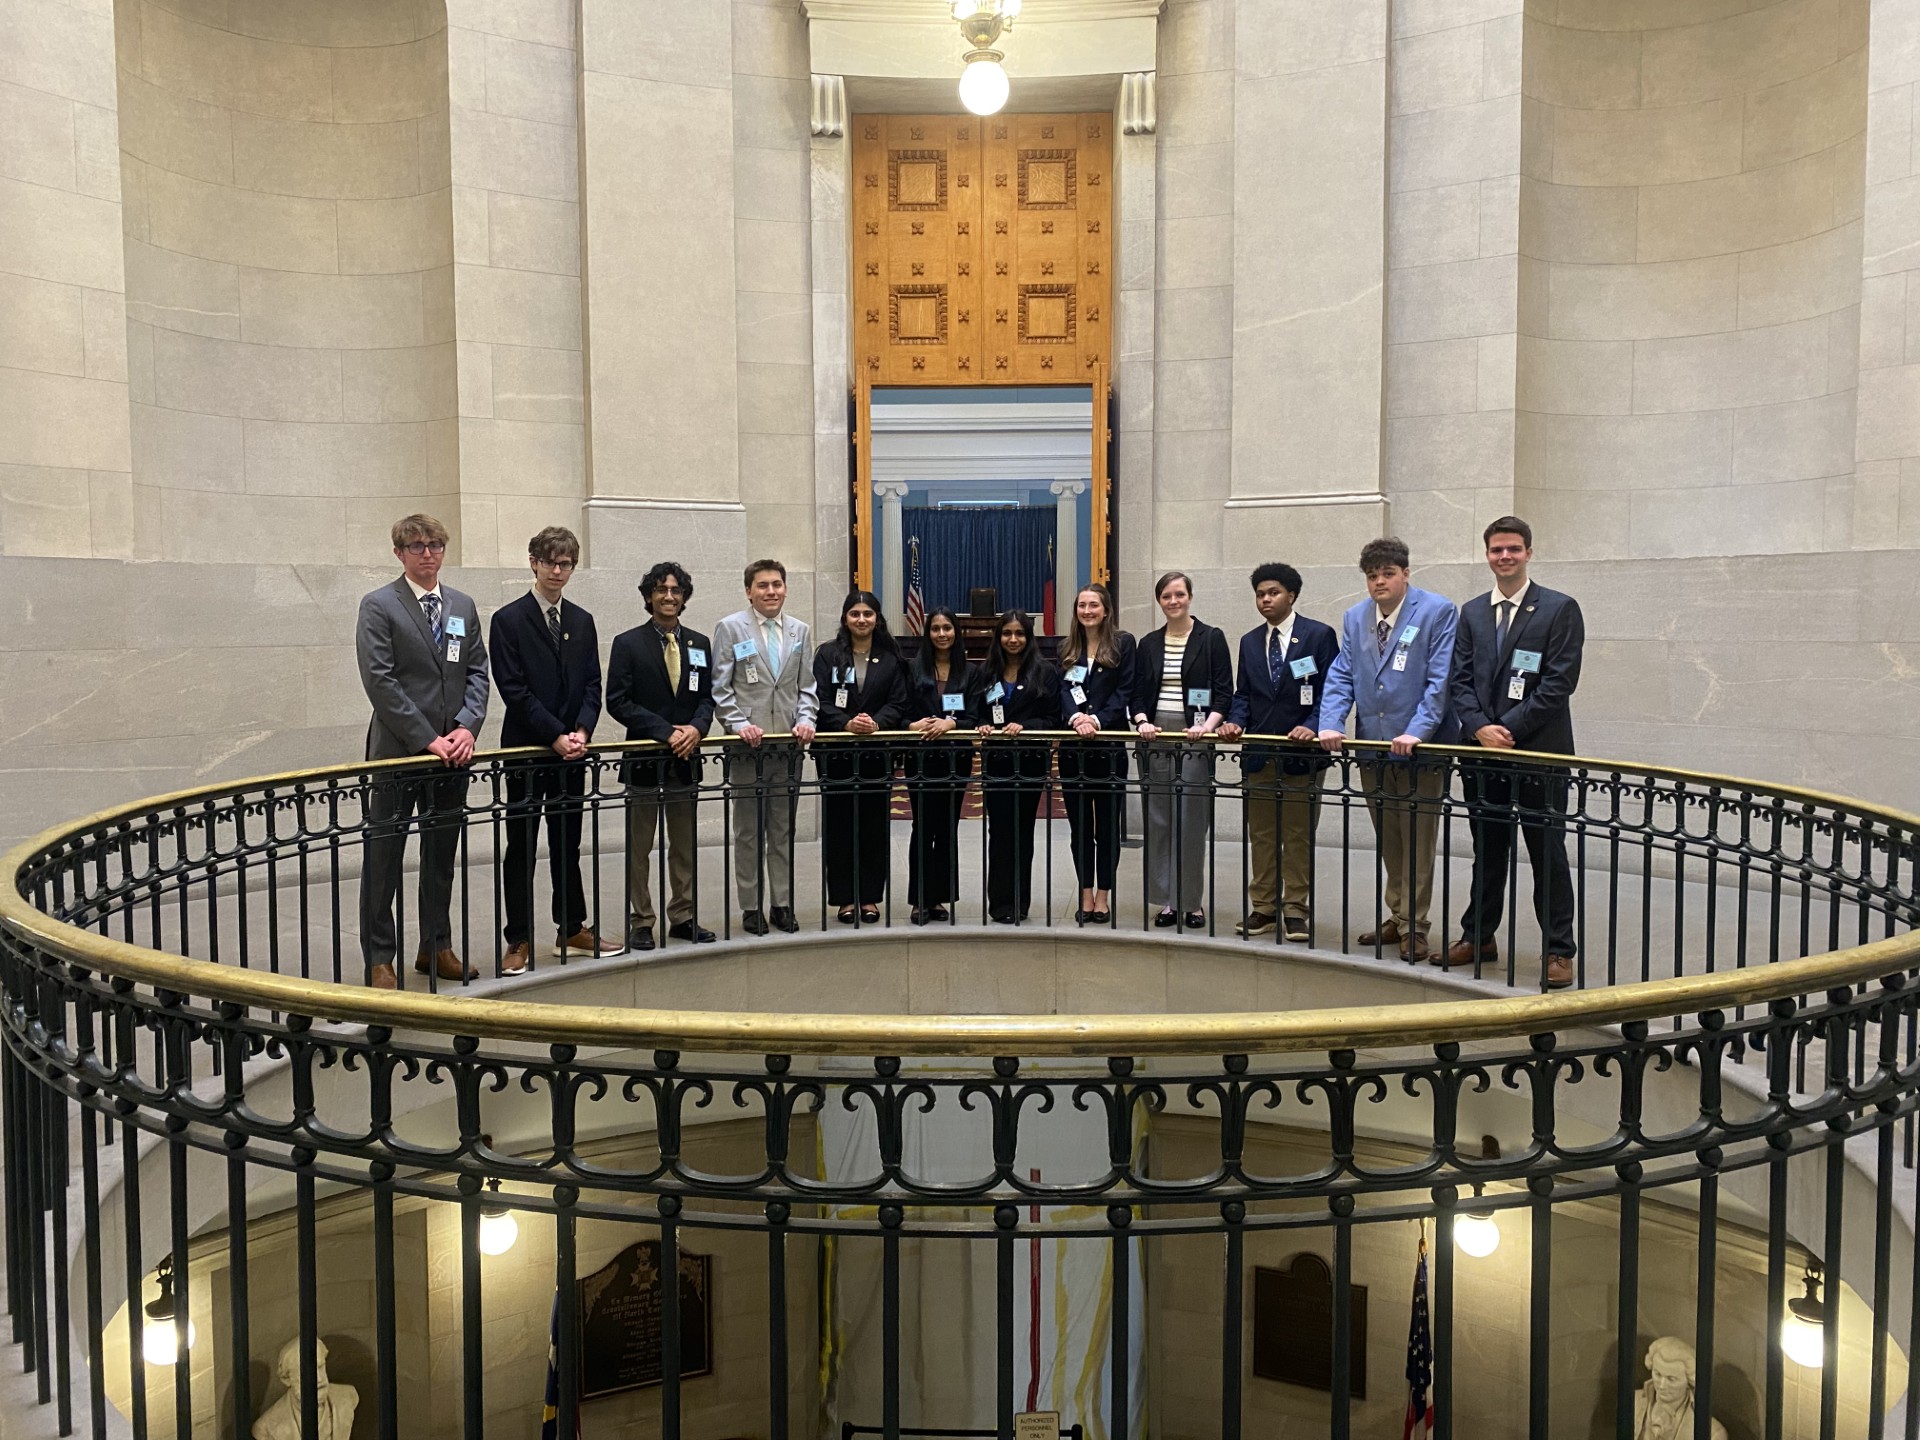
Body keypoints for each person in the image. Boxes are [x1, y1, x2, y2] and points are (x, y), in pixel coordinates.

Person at [1446, 516, 1584, 989]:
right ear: (1486, 555)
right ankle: (1479, 936)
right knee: (1488, 851)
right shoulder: (1472, 612)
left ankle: (1559, 950)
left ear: (1529, 552)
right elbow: (1458, 680)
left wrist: (1506, 728)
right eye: (1496, 550)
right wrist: (1480, 727)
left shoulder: (1559, 609)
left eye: (1513, 549)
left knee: (1547, 853)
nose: (1504, 557)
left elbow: (1559, 684)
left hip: (1538, 755)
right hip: (1482, 757)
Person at [355, 513, 489, 990]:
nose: (427, 553)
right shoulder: (379, 605)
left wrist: (467, 728)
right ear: (399, 553)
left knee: (440, 855)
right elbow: (381, 681)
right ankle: (379, 957)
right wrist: (426, 738)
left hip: (453, 754)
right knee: (384, 856)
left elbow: (477, 671)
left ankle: (436, 946)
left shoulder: (461, 605)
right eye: (416, 546)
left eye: (434, 544)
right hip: (400, 752)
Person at [1317, 537, 1459, 961]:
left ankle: (1416, 925)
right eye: (1372, 576)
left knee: (1417, 836)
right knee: (1389, 837)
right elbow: (1342, 674)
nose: (1379, 582)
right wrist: (1330, 722)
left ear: (1406, 574)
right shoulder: (1355, 617)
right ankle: (1398, 915)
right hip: (1372, 747)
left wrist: (1417, 730)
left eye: (1387, 574)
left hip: (1420, 749)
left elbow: (1440, 680)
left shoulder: (1437, 611)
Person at [487, 526, 621, 976]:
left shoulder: (581, 620)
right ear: (534, 562)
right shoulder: (508, 619)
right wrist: (555, 736)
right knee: (520, 847)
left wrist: (582, 730)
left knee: (568, 844)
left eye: (565, 563)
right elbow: (514, 690)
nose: (558, 571)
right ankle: (519, 939)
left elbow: (591, 684)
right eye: (550, 562)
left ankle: (573, 928)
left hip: (571, 753)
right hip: (528, 750)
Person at [1219, 563, 1339, 944]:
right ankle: (1264, 907)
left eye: (1273, 592)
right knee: (1263, 834)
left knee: (1298, 833)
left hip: (1301, 753)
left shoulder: (1318, 635)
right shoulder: (1251, 641)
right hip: (1258, 753)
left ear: (1292, 595)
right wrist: (1235, 723)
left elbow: (1331, 692)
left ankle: (1296, 909)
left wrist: (1316, 725)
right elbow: (1243, 695)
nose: (1265, 599)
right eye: (1260, 594)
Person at [604, 560, 717, 952]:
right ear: (649, 596)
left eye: (675, 591)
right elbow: (616, 702)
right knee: (640, 847)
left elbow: (707, 699)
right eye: (661, 590)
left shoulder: (699, 643)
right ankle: (642, 920)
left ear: (684, 597)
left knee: (684, 845)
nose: (669, 597)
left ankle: (683, 916)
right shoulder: (628, 643)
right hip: (644, 761)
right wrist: (665, 731)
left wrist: (696, 729)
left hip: (686, 759)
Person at [710, 559, 818, 935]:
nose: (770, 591)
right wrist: (739, 724)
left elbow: (807, 687)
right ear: (749, 591)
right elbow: (721, 688)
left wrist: (806, 719)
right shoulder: (730, 627)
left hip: (787, 746)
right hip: (747, 748)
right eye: (762, 586)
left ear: (785, 588)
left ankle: (782, 903)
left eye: (776, 584)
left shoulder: (800, 631)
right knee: (748, 830)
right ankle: (750, 906)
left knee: (782, 828)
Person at [1129, 572, 1234, 929]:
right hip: (1156, 737)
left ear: (1190, 597)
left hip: (1195, 737)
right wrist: (1142, 720)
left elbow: (1224, 691)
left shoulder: (1211, 638)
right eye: (1166, 596)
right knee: (1159, 820)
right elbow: (1138, 693)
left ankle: (1191, 901)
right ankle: (1166, 901)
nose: (1173, 601)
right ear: (1159, 601)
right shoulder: (1149, 643)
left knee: (1190, 821)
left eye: (1179, 594)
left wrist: (1208, 727)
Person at [812, 591, 908, 923]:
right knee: (839, 827)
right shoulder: (827, 654)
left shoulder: (891, 658)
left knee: (872, 826)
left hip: (875, 756)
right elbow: (818, 699)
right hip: (837, 755)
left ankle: (868, 897)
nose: (862, 619)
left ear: (877, 619)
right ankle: (843, 898)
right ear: (845, 619)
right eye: (855, 614)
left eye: (868, 614)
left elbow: (899, 702)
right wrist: (846, 723)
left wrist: (876, 723)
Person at [971, 609, 1060, 924]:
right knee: (999, 833)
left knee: (1023, 832)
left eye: (1019, 634)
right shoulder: (985, 672)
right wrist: (982, 725)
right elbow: (977, 712)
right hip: (996, 763)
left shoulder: (1045, 672)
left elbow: (1053, 719)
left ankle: (1020, 904)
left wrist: (1026, 725)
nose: (1012, 639)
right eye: (1006, 633)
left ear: (1028, 637)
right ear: (998, 637)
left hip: (1030, 763)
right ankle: (999, 905)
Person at [1057, 584, 1136, 926]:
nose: (1087, 611)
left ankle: (1103, 895)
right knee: (1079, 830)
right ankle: (1085, 892)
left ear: (1106, 610)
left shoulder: (1123, 644)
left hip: (1108, 748)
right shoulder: (1067, 648)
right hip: (1074, 750)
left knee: (1106, 827)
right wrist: (1076, 718)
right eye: (1082, 605)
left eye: (1093, 605)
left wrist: (1098, 720)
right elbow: (1062, 690)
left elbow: (1127, 689)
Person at [901, 607, 978, 925]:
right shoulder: (912, 669)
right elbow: (900, 712)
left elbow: (975, 716)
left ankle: (939, 897)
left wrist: (951, 723)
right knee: (922, 827)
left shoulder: (970, 673)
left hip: (954, 760)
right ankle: (920, 898)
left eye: (948, 628)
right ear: (927, 633)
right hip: (920, 759)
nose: (942, 634)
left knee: (947, 827)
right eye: (935, 628)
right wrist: (913, 724)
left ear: (956, 632)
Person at [252, 1336, 358, 1440]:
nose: (320, 1379)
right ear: (287, 1379)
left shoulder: (348, 1396)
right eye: (307, 1372)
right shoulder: (266, 1428)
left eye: (320, 1367)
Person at [1631, 1336, 1727, 1440]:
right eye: (1657, 1374)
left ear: (1689, 1381)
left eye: (1671, 1379)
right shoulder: (1631, 1402)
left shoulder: (1712, 1433)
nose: (1661, 1385)